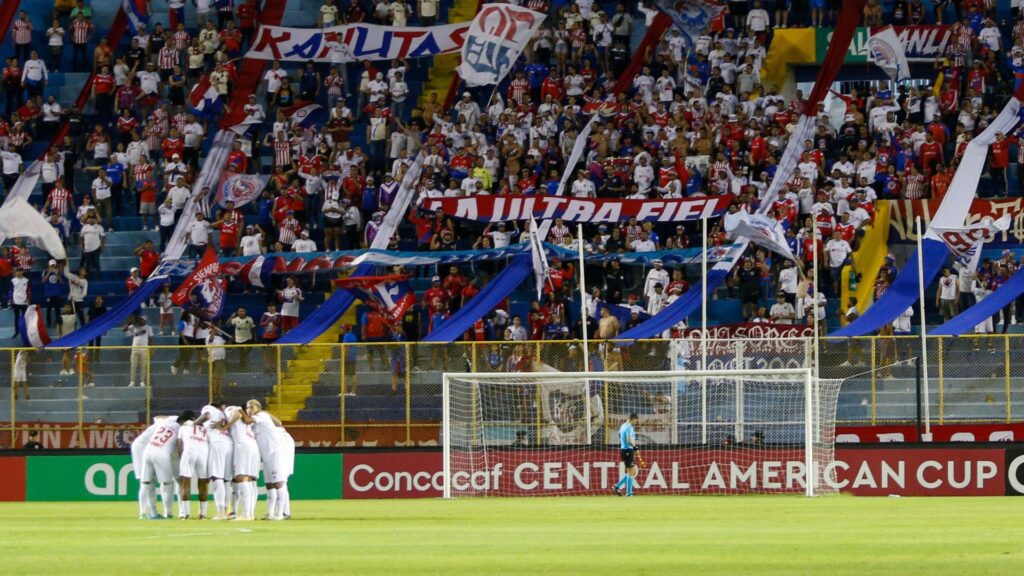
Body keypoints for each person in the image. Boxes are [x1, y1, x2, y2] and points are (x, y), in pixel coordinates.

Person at [140, 410, 192, 519]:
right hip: (161, 454)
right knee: (167, 484)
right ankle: (168, 513)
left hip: (148, 451)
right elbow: (180, 446)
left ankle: (144, 513)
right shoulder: (181, 429)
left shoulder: (164, 423)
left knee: (146, 483)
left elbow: (158, 417)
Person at [245, 399, 288, 520]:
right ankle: (270, 513)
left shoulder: (261, 416)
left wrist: (239, 412)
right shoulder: (255, 424)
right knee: (269, 485)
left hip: (275, 452)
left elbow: (247, 420)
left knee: (278, 483)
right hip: (266, 456)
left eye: (251, 407)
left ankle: (280, 513)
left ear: (258, 408)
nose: (249, 410)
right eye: (247, 408)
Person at [193, 401, 233, 520]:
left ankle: (220, 513)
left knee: (217, 478)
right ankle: (226, 511)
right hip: (229, 443)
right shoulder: (222, 414)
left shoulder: (209, 408)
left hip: (217, 443)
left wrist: (192, 425)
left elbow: (206, 416)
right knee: (226, 481)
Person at [223, 404, 260, 521]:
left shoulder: (232, 408)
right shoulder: (248, 418)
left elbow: (238, 413)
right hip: (253, 446)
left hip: (242, 446)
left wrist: (226, 426)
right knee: (249, 480)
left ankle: (246, 514)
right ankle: (250, 513)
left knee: (241, 478)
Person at [177, 416, 210, 519]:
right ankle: (203, 514)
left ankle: (186, 514)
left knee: (185, 482)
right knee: (203, 483)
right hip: (204, 453)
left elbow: (180, 445)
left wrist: (181, 458)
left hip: (190, 451)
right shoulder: (204, 428)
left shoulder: (184, 427)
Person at [612, 413, 639, 497]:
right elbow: (628, 439)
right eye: (636, 421)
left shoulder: (623, 426)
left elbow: (620, 436)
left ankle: (617, 486)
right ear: (633, 419)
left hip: (624, 450)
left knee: (631, 471)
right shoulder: (629, 427)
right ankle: (628, 493)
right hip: (628, 450)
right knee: (632, 471)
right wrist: (635, 447)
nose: (636, 423)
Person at [124, 314, 152, 387]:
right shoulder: (133, 327)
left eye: (142, 319)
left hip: (144, 349)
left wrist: (151, 349)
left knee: (143, 366)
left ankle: (142, 382)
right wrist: (128, 323)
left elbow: (151, 339)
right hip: (135, 349)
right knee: (133, 366)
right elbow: (125, 330)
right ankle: (132, 381)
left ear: (145, 320)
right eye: (140, 319)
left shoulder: (148, 328)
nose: (141, 320)